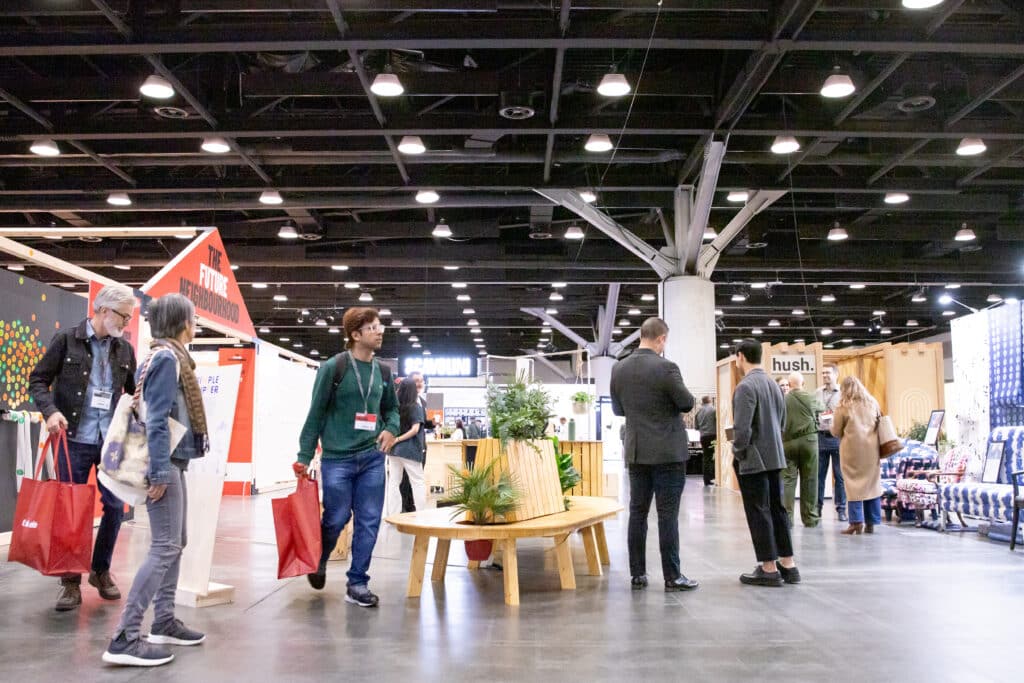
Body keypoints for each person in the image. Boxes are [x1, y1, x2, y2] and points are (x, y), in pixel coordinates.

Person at [102, 294, 208, 667]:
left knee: (176, 542)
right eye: (193, 318)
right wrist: (160, 471)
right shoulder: (166, 358)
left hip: (174, 461)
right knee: (165, 546)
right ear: (183, 322)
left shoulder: (169, 356)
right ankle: (125, 636)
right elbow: (158, 418)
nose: (196, 325)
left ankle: (163, 621)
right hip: (164, 464)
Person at [28, 283, 138, 612]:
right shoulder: (67, 340)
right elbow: (38, 379)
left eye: (130, 317)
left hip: (111, 445)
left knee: (116, 509)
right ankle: (70, 581)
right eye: (123, 315)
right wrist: (50, 411)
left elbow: (133, 393)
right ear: (103, 310)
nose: (126, 322)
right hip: (73, 439)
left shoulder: (125, 350)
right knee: (71, 513)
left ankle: (100, 570)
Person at [295, 307, 399, 607]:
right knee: (336, 517)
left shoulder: (382, 371)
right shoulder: (334, 368)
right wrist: (304, 454)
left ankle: (357, 583)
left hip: (372, 457)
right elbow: (315, 413)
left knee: (369, 521)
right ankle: (321, 558)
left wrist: (391, 428)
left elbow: (391, 409)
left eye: (380, 326)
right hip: (337, 459)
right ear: (355, 335)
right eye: (372, 328)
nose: (380, 332)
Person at [610, 317, 698, 593]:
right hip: (668, 453)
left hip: (637, 451)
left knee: (637, 513)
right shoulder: (667, 367)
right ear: (661, 339)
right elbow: (686, 403)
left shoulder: (619, 368)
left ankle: (638, 575)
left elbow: (618, 410)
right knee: (667, 515)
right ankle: (672, 576)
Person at [731, 339, 800, 587]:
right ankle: (789, 565)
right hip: (775, 457)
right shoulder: (773, 384)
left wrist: (737, 452)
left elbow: (741, 429)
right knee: (777, 510)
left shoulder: (745, 387)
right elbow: (781, 422)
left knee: (758, 512)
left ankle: (768, 568)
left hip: (754, 460)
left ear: (740, 356)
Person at [830, 376, 883, 535]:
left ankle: (856, 523)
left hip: (852, 452)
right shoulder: (872, 402)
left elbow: (836, 431)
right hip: (872, 451)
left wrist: (829, 425)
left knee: (853, 487)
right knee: (871, 486)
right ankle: (871, 522)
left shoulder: (844, 406)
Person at [781, 372, 821, 528]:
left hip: (788, 443)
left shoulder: (783, 400)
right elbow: (823, 408)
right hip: (809, 442)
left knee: (788, 482)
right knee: (810, 480)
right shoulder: (810, 397)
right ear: (803, 383)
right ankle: (810, 518)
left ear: (789, 385)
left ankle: (787, 519)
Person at [387, 377, 426, 517]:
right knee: (418, 481)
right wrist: (399, 439)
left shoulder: (395, 407)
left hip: (393, 450)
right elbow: (415, 429)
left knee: (394, 481)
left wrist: (395, 440)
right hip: (409, 449)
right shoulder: (415, 406)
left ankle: (393, 512)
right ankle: (422, 512)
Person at [816, 364, 848, 522]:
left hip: (837, 438)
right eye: (823, 373)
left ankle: (841, 509)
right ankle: (817, 509)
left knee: (840, 477)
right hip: (820, 437)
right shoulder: (817, 393)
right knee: (819, 476)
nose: (825, 375)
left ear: (836, 375)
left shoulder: (843, 394)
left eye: (828, 373)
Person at [694, 396, 717, 486]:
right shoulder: (714, 410)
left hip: (703, 436)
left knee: (706, 458)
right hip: (713, 436)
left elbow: (696, 427)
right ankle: (713, 478)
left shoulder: (698, 412)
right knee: (713, 458)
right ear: (710, 401)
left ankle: (706, 480)